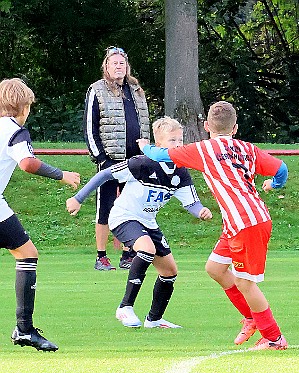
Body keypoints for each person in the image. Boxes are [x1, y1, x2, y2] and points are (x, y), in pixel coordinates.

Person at [138, 101, 289, 351]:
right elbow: (281, 169)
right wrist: (274, 185)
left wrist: (145, 146)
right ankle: (251, 318)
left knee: (246, 283)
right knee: (215, 268)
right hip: (241, 221)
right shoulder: (247, 148)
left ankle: (273, 337)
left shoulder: (204, 149)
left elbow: (160, 155)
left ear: (207, 126)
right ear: (235, 128)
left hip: (246, 223)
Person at [67, 117, 212, 328]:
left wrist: (201, 212)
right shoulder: (143, 163)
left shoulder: (180, 172)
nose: (178, 145)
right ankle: (125, 307)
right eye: (172, 141)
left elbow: (191, 203)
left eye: (180, 140)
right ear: (159, 144)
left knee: (169, 271)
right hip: (123, 217)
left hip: (148, 222)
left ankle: (154, 319)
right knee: (146, 249)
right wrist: (78, 198)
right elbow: (105, 174)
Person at [0, 78, 80, 351]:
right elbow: (28, 163)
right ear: (23, 106)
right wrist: (63, 175)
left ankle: (24, 329)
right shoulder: (14, 131)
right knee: (27, 255)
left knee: (26, 253)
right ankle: (24, 330)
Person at [84, 46, 150, 271]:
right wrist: (100, 157)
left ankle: (128, 254)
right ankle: (101, 256)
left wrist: (147, 153)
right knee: (106, 207)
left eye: (122, 63)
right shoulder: (97, 89)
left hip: (136, 159)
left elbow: (145, 123)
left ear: (126, 66)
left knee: (131, 206)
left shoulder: (136, 89)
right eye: (114, 63)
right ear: (106, 66)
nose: (118, 66)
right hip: (111, 159)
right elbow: (90, 126)